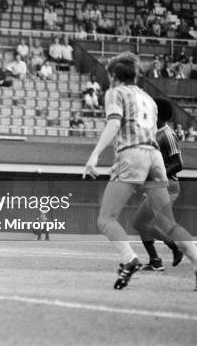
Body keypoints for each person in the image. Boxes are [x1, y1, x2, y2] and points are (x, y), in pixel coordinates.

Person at [83, 52, 197, 290]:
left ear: (113, 74)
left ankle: (129, 259)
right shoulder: (148, 98)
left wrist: (94, 155)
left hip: (132, 155)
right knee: (168, 223)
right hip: (155, 159)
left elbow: (114, 123)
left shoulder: (115, 93)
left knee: (106, 218)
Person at [132, 99, 183, 271]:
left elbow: (178, 164)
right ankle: (155, 260)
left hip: (168, 187)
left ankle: (175, 247)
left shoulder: (168, 135)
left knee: (145, 223)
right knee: (140, 223)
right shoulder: (154, 132)